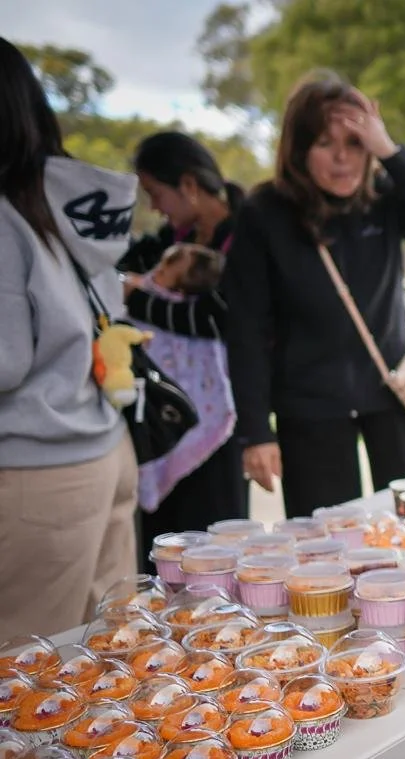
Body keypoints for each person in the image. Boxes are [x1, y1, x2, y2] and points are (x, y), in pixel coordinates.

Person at [223, 73, 405, 518]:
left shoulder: (385, 196)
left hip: (394, 388)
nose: (342, 159)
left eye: (354, 144)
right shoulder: (265, 213)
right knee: (328, 542)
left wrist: (390, 152)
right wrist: (256, 431)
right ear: (298, 150)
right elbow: (246, 328)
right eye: (324, 144)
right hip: (310, 405)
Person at [0, 36, 138, 635]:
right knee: (106, 655)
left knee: (25, 678)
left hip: (36, 470)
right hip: (102, 448)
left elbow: (5, 361)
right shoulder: (74, 209)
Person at [118, 132, 247, 566]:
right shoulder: (167, 241)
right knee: (163, 549)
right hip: (164, 413)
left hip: (221, 417)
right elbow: (122, 270)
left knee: (212, 546)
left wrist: (136, 299)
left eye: (155, 193)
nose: (153, 206)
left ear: (189, 185)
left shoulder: (246, 233)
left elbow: (216, 319)